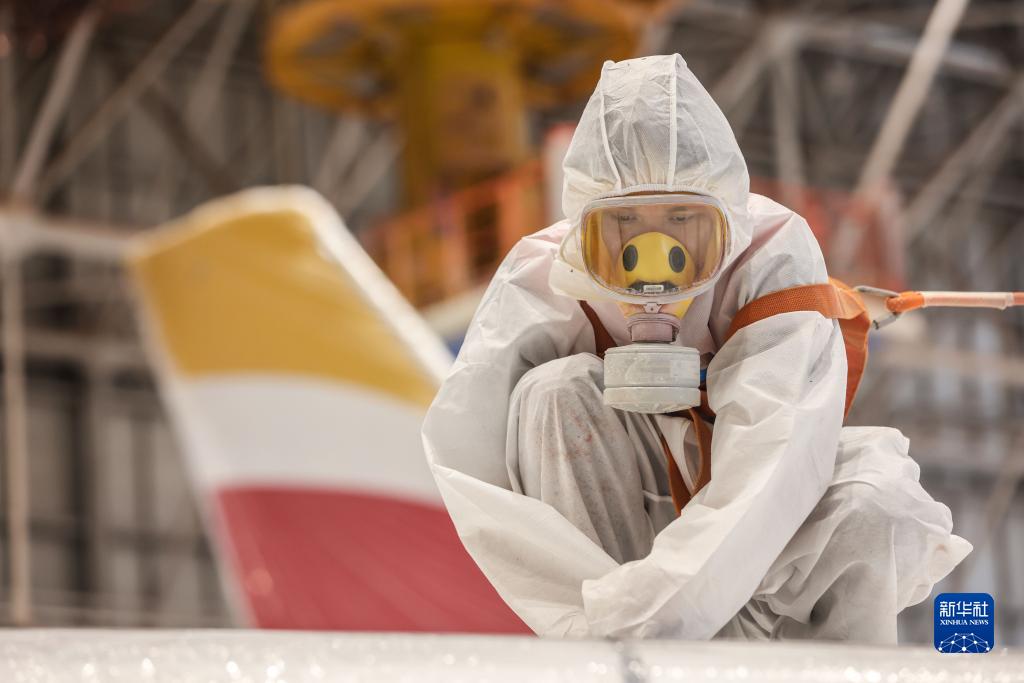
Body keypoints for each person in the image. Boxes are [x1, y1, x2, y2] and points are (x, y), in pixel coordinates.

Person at [421, 54, 970, 642]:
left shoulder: (771, 257)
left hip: (765, 544)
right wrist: (614, 619)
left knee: (877, 505)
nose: (655, 256)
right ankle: (605, 659)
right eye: (625, 224)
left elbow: (772, 454)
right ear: (582, 232)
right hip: (623, 559)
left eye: (683, 218)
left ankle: (829, 668)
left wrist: (663, 611)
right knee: (551, 395)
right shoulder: (543, 278)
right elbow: (471, 460)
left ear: (728, 220)